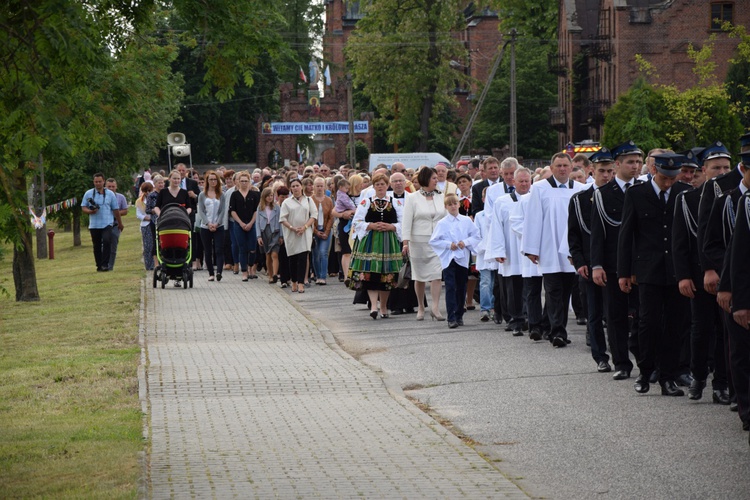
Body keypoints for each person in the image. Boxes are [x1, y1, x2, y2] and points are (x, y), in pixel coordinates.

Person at [618, 152, 692, 396]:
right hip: (647, 269)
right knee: (648, 323)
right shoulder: (636, 194)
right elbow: (627, 235)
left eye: (672, 178)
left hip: (676, 270)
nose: (668, 183)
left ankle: (668, 377)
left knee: (674, 325)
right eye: (664, 178)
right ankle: (645, 369)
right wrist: (625, 272)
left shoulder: (684, 192)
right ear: (654, 171)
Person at [672, 149, 729, 403]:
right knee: (700, 328)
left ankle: (722, 384)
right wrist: (683, 276)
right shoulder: (688, 199)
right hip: (699, 275)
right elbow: (680, 243)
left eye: (726, 168)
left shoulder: (735, 197)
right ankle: (697, 377)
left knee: (725, 331)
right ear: (703, 171)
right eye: (716, 168)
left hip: (729, 275)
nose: (722, 173)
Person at [590, 141, 643, 380]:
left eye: (639, 162)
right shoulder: (603, 194)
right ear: (618, 164)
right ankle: (621, 362)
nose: (635, 166)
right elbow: (598, 233)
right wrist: (597, 265)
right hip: (613, 264)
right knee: (616, 315)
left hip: (642, 263)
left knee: (645, 315)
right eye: (630, 162)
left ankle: (646, 360)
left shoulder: (644, 189)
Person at [522, 152, 587, 347]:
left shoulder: (581, 189)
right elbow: (533, 219)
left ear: (571, 167)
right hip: (549, 246)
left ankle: (551, 327)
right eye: (558, 165)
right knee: (553, 290)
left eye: (565, 165)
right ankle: (558, 332)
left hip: (571, 247)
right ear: (552, 167)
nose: (562, 169)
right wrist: (531, 248)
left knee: (566, 290)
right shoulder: (540, 188)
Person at [568, 148, 614, 372]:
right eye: (602, 171)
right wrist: (580, 262)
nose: (606, 176)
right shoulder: (579, 199)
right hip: (588, 264)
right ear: (591, 171)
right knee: (594, 314)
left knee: (615, 314)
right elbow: (574, 234)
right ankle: (600, 356)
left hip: (614, 264)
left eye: (610, 171)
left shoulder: (621, 196)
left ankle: (620, 353)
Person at [348, 174, 403, 319]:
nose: (380, 187)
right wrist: (370, 225)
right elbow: (356, 221)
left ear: (387, 186)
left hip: (388, 241)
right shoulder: (366, 202)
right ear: (374, 186)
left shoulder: (395, 202)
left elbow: (403, 223)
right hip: (370, 241)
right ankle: (373, 306)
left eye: (383, 184)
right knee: (370, 273)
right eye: (377, 184)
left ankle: (384, 306)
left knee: (387, 275)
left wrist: (391, 226)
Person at [488, 167, 532, 336]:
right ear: (513, 182)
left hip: (529, 251)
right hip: (511, 251)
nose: (524, 184)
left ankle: (530, 317)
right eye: (520, 181)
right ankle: (516, 320)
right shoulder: (502, 202)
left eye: (527, 181)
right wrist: (498, 250)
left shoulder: (535, 199)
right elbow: (496, 227)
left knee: (530, 287)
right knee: (512, 288)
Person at [402, 167, 447, 321]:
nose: (437, 180)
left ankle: (435, 307)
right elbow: (406, 222)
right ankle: (421, 306)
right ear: (426, 179)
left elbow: (446, 217)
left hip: (437, 242)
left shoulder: (440, 196)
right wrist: (405, 243)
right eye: (434, 178)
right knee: (419, 276)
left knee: (436, 274)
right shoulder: (412, 198)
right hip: (418, 241)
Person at [430, 194, 480, 328]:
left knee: (461, 287)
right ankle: (451, 317)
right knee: (451, 287)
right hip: (449, 258)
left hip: (462, 258)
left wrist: (466, 242)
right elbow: (434, 240)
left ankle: (459, 315)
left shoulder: (466, 221)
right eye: (450, 204)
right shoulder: (442, 223)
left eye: (455, 203)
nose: (453, 206)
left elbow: (476, 236)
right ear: (446, 207)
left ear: (459, 204)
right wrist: (448, 244)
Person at [280, 178, 317, 293]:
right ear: (291, 188)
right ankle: (294, 281)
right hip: (291, 233)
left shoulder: (309, 200)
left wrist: (305, 227)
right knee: (293, 259)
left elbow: (314, 215)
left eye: (297, 185)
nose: (295, 188)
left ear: (301, 187)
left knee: (303, 258)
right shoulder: (287, 202)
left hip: (304, 233)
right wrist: (292, 228)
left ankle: (301, 283)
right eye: (293, 186)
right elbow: (282, 219)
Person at [81, 173, 123, 272]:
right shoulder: (88, 193)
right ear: (93, 182)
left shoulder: (110, 194)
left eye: (100, 181)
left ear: (103, 181)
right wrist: (90, 211)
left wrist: (120, 223)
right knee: (97, 245)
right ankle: (99, 265)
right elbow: (83, 207)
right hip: (94, 224)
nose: (98, 183)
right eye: (96, 182)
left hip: (107, 223)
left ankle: (105, 264)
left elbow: (116, 209)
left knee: (107, 241)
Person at [229, 171, 260, 281]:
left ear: (250, 182)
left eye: (246, 181)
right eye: (242, 181)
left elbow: (257, 210)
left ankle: (251, 266)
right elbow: (232, 211)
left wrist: (251, 223)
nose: (244, 183)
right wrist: (241, 223)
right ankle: (244, 272)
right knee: (242, 248)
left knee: (252, 248)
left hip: (252, 223)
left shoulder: (255, 194)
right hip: (239, 224)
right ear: (238, 182)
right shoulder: (235, 195)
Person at [197, 170, 227, 282]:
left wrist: (217, 223)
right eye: (211, 179)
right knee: (208, 250)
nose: (213, 181)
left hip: (218, 226)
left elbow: (223, 210)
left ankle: (219, 272)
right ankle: (211, 273)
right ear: (207, 181)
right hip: (206, 226)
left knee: (219, 249)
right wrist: (208, 223)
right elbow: (201, 210)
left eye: (215, 179)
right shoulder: (202, 195)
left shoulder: (221, 194)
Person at [333, 178, 357, 284]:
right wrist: (346, 213)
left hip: (355, 225)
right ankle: (347, 275)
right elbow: (335, 211)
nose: (348, 189)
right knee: (346, 250)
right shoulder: (343, 196)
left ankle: (353, 273)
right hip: (345, 224)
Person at [311, 177, 334, 285]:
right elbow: (309, 217)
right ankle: (317, 275)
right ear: (314, 187)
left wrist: (327, 231)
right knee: (315, 254)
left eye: (321, 186)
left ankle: (323, 276)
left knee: (323, 253)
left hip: (325, 229)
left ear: (324, 187)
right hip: (314, 230)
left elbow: (331, 217)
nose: (319, 188)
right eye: (317, 186)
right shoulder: (310, 199)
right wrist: (315, 231)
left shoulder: (328, 200)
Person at [257, 187, 282, 284]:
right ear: (264, 196)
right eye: (268, 196)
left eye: (271, 195)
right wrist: (258, 236)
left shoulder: (277, 207)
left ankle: (275, 274)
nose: (270, 198)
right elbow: (257, 223)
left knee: (275, 254)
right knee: (267, 255)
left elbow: (280, 221)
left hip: (275, 231)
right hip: (264, 231)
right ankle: (270, 275)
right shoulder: (260, 207)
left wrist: (281, 235)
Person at [104, 178, 128, 271]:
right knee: (104, 245)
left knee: (113, 246)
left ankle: (110, 266)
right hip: (104, 224)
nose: (111, 188)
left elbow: (125, 211)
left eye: (113, 186)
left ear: (116, 187)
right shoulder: (102, 197)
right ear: (105, 187)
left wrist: (116, 213)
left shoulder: (121, 197)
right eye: (109, 186)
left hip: (115, 224)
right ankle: (103, 265)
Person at [135, 182, 154, 270]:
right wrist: (145, 217)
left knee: (155, 245)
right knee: (147, 246)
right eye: (146, 191)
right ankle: (148, 265)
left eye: (149, 191)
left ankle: (156, 264)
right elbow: (138, 214)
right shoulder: (140, 201)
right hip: (145, 224)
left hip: (154, 223)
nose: (147, 193)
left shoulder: (154, 198)